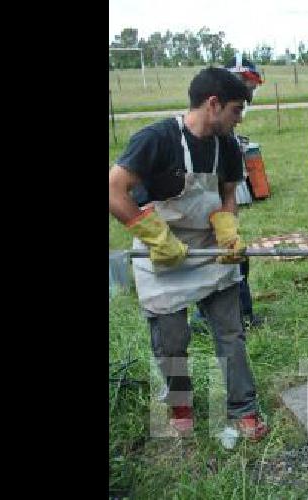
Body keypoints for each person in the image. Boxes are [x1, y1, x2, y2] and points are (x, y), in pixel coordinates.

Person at [107, 67, 269, 441]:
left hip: (209, 250)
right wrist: (155, 237)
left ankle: (243, 408)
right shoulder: (157, 139)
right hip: (161, 253)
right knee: (172, 340)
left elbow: (228, 193)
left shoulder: (227, 145)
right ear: (213, 104)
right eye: (235, 109)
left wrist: (228, 230)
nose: (239, 118)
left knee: (231, 334)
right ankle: (180, 402)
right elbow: (115, 190)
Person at [192, 55, 266, 332]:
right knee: (203, 267)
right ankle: (202, 320)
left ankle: (242, 313)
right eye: (247, 83)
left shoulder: (227, 138)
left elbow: (229, 190)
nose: (249, 90)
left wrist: (228, 227)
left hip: (218, 209)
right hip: (196, 217)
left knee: (238, 262)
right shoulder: (196, 132)